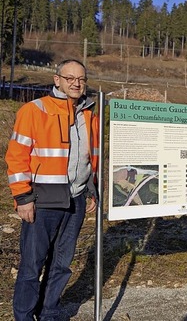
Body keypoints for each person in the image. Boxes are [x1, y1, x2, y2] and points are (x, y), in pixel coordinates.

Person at [6, 59, 100, 321]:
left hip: (77, 198)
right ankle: (24, 316)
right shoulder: (34, 111)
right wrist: (23, 197)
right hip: (43, 198)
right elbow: (16, 157)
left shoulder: (89, 113)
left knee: (61, 264)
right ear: (56, 79)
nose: (76, 83)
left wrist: (91, 188)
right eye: (69, 78)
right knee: (31, 265)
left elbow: (90, 155)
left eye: (81, 78)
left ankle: (49, 313)